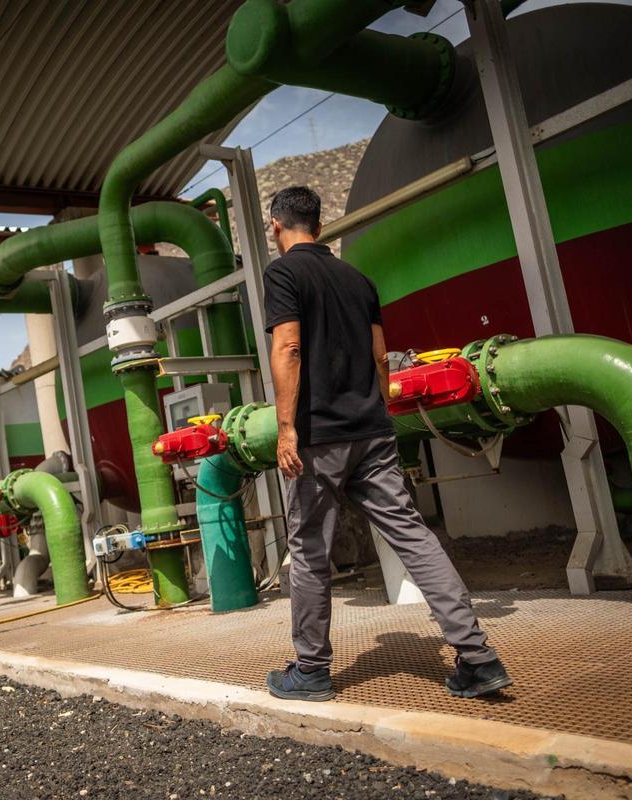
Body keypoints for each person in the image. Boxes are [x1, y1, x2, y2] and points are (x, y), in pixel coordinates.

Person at [261, 186, 511, 702]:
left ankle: (311, 671)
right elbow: (380, 356)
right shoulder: (359, 280)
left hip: (319, 437)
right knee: (413, 535)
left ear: (276, 226)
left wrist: (287, 428)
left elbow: (288, 347)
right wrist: (378, 411)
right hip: (372, 430)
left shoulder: (283, 274)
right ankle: (479, 658)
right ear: (320, 227)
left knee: (309, 551)